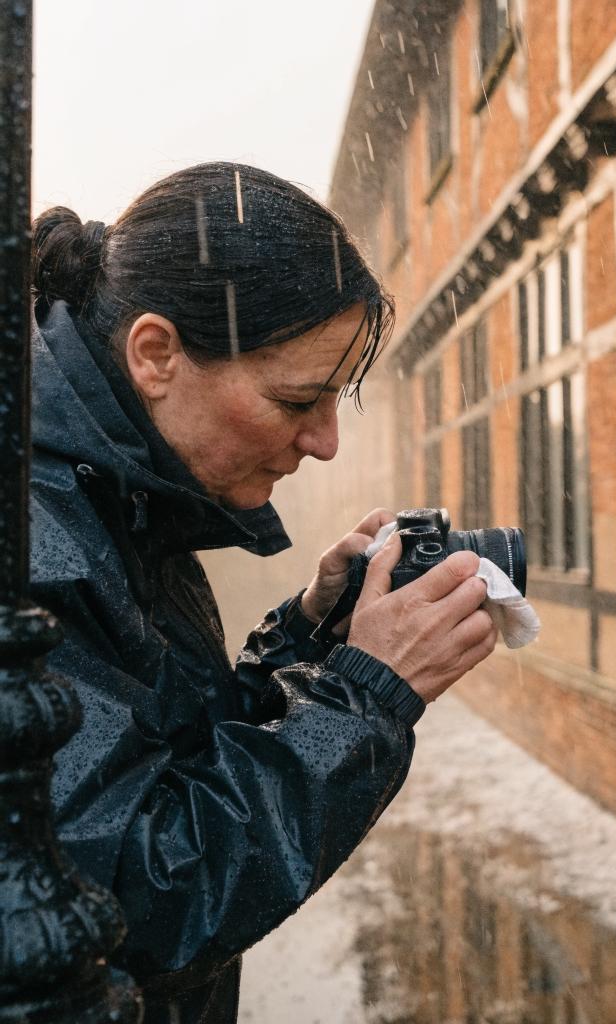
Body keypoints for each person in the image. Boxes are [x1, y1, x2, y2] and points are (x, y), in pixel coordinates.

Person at [29, 162, 499, 1024]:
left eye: (335, 402)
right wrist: (367, 696)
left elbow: (161, 750)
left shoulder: (122, 498)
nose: (323, 442)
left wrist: (311, 639)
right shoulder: (34, 535)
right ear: (156, 354)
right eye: (297, 399)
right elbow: (132, 900)